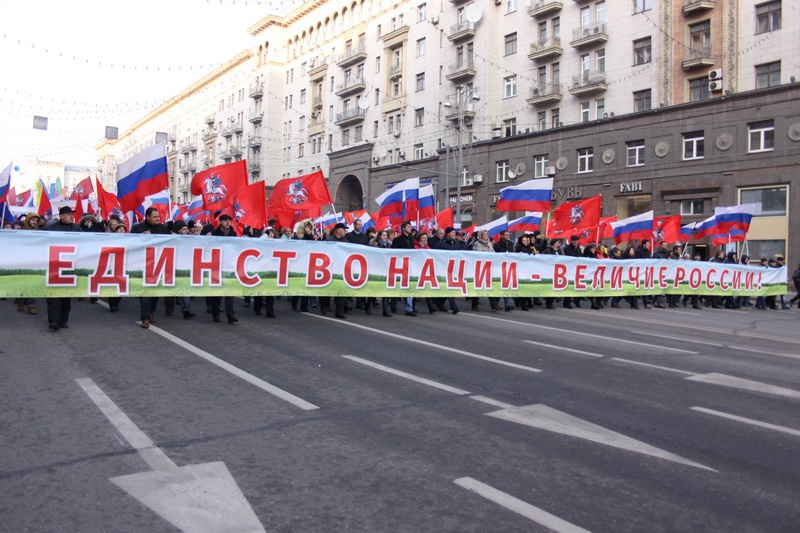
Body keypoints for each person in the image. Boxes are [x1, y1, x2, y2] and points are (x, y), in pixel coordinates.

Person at [43, 206, 81, 331]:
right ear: (61, 216)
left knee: (66, 295)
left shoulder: (76, 229)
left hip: (70, 265)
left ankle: (63, 319)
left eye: (72, 214)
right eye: (68, 214)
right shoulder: (51, 229)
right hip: (54, 265)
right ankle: (53, 320)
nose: (71, 216)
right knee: (54, 294)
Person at [323, 223, 349, 318]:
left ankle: (340, 311)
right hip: (329, 269)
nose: (345, 231)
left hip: (341, 269)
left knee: (341, 291)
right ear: (338, 230)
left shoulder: (346, 242)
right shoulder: (329, 241)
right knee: (327, 289)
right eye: (344, 229)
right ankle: (324, 305)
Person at [391, 221, 417, 316]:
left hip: (408, 265)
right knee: (397, 286)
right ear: (403, 228)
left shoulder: (411, 238)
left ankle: (409, 308)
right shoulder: (397, 240)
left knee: (408, 287)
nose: (410, 228)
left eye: (410, 227)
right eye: (408, 227)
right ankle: (393, 304)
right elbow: (394, 253)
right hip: (399, 266)